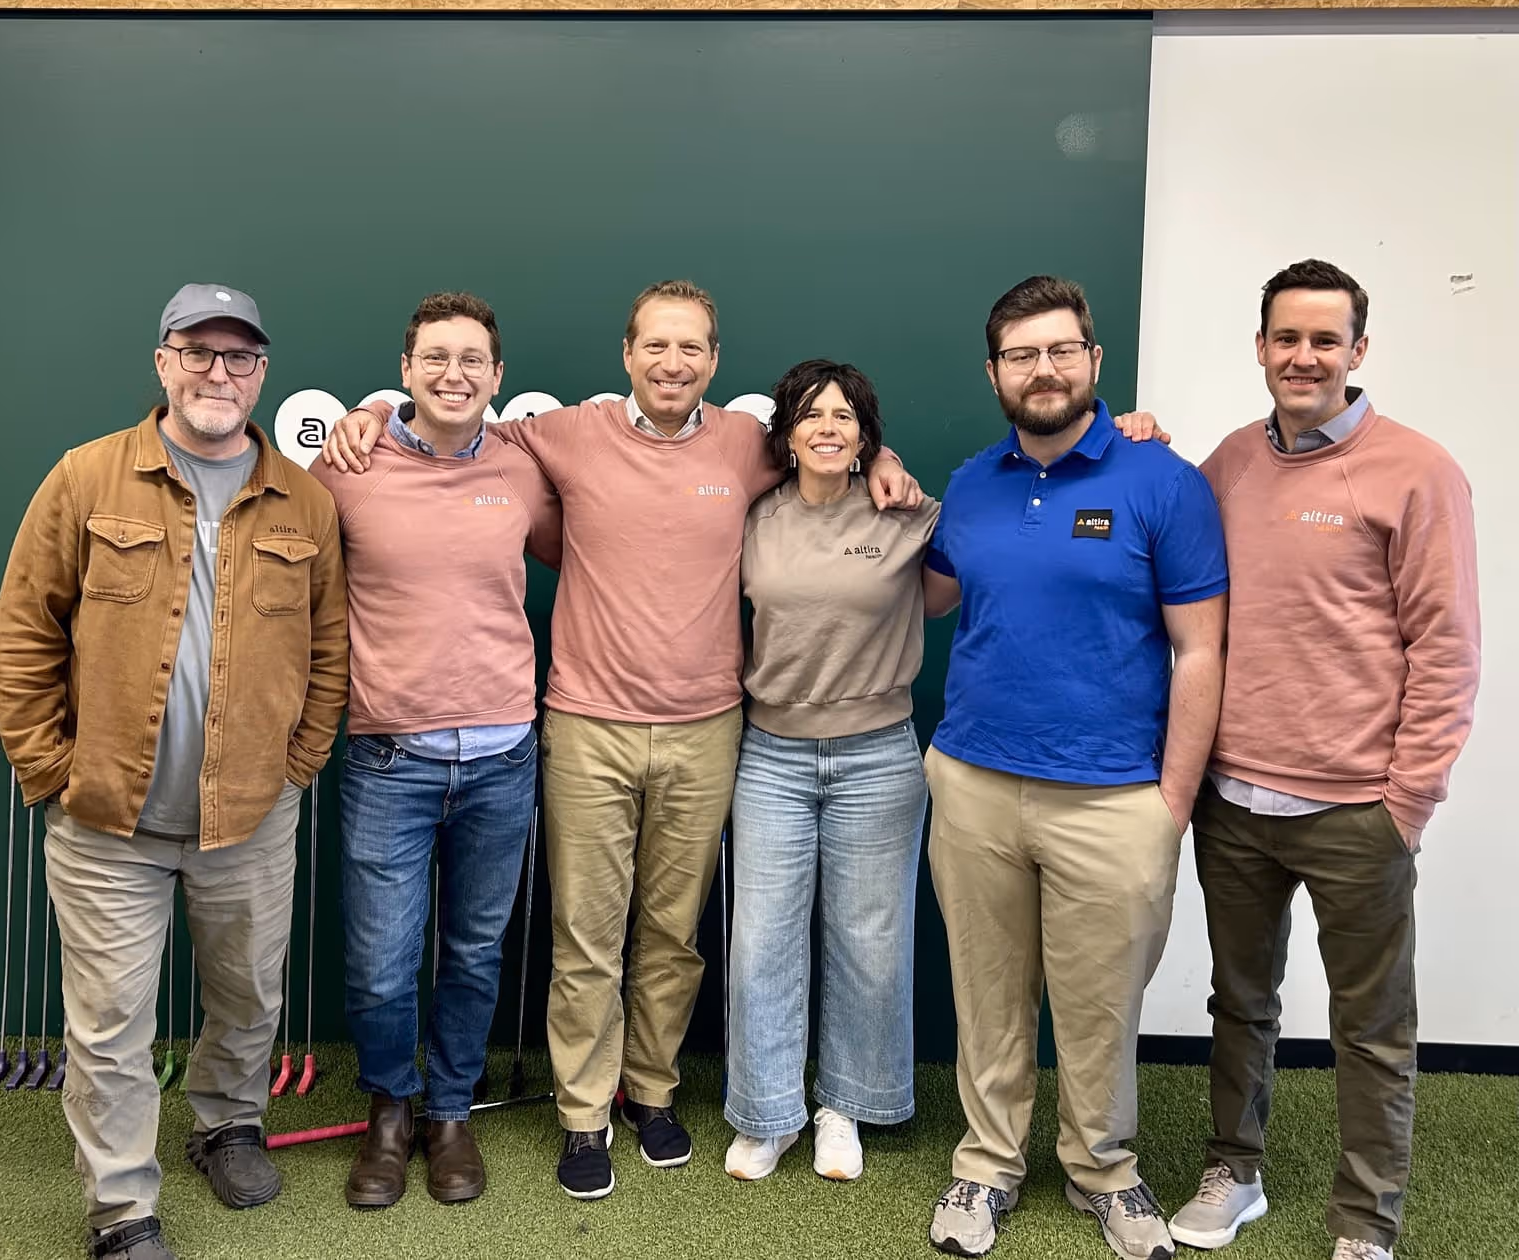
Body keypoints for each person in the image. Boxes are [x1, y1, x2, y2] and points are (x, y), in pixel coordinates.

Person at [322, 279, 920, 1199]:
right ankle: (583, 1111)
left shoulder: (743, 444)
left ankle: (652, 1089)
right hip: (585, 723)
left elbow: (826, 446)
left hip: (708, 727)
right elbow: (449, 418)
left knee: (672, 934)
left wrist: (886, 461)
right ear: (627, 355)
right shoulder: (558, 434)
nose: (673, 364)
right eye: (656, 347)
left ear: (714, 362)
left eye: (691, 349)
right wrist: (370, 408)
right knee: (586, 933)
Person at [0, 284, 348, 1260]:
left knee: (247, 996)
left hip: (251, 815)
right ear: (162, 363)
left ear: (262, 374)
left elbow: (329, 650)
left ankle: (228, 1125)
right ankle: (122, 1209)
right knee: (109, 1022)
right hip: (106, 816)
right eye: (198, 353)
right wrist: (49, 771)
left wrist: (298, 766)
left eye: (238, 358)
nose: (218, 374)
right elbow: (25, 634)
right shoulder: (86, 479)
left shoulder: (304, 501)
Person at [1162, 260, 1480, 1260]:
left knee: (1372, 1027)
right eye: (1284, 338)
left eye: (1323, 340)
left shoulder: (1416, 470)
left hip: (1355, 811)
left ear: (1356, 351)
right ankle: (1235, 1171)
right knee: (1240, 1003)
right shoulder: (1226, 464)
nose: (1302, 357)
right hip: (1234, 802)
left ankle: (1364, 1220)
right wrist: (1136, 442)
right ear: (1259, 346)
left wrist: (1405, 802)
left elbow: (1447, 647)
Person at [922, 275, 1227, 1260]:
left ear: (1093, 362)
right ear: (994, 372)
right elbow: (924, 592)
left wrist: (1169, 804)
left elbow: (1199, 651)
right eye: (1021, 354)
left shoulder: (1163, 481)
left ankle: (1104, 1169)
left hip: (1114, 797)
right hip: (973, 783)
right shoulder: (971, 484)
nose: (1042, 370)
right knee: (988, 990)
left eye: (1060, 351)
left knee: (1098, 1003)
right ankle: (986, 1164)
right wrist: (874, 478)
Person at [307, 292, 560, 1210]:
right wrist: (360, 416)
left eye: (474, 361)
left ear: (497, 377)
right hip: (388, 757)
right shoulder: (350, 465)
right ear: (406, 369)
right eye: (436, 358)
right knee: (379, 962)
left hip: (503, 755)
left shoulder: (523, 467)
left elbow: (583, 549)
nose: (455, 374)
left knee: (475, 952)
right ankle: (390, 1110)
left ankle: (450, 1112)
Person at [723, 360, 939, 1184]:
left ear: (866, 435)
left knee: (870, 942)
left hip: (878, 756)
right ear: (786, 432)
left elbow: (962, 579)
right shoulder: (754, 518)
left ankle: (841, 1106)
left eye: (845, 416)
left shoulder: (906, 513)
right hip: (771, 753)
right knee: (762, 941)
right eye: (812, 414)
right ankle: (767, 1113)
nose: (828, 426)